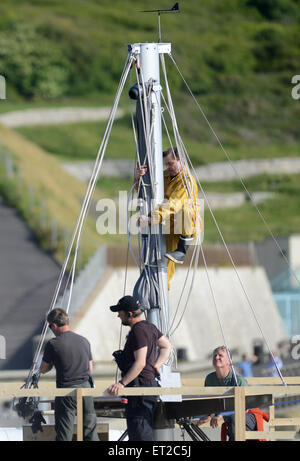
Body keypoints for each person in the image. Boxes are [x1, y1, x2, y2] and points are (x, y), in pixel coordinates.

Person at [107, 295, 172, 441]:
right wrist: (156, 365)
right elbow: (167, 346)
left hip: (140, 388)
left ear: (129, 314)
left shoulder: (138, 330)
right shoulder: (150, 327)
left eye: (120, 312)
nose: (118, 315)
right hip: (148, 386)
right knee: (140, 432)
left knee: (140, 434)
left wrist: (121, 383)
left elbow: (140, 362)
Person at [135, 147, 201, 284]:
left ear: (181, 161)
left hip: (183, 226)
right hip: (167, 225)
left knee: (185, 209)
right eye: (166, 164)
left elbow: (174, 204)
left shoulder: (187, 181)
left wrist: (151, 218)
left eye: (171, 163)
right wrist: (139, 178)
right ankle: (159, 297)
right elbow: (145, 191)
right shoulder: (164, 176)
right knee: (163, 271)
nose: (168, 167)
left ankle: (182, 249)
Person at [40, 308, 99, 441]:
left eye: (50, 326)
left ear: (54, 325)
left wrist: (53, 364)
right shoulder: (84, 341)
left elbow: (43, 369)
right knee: (90, 430)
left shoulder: (53, 344)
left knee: (64, 432)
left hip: (66, 391)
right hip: (86, 389)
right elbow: (89, 368)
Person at [197, 346, 257, 441]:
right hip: (230, 421)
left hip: (249, 418)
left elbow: (244, 408)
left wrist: (220, 415)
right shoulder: (210, 379)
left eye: (220, 355)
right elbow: (209, 402)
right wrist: (208, 415)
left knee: (235, 418)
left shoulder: (239, 380)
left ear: (228, 361)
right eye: (215, 355)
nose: (216, 357)